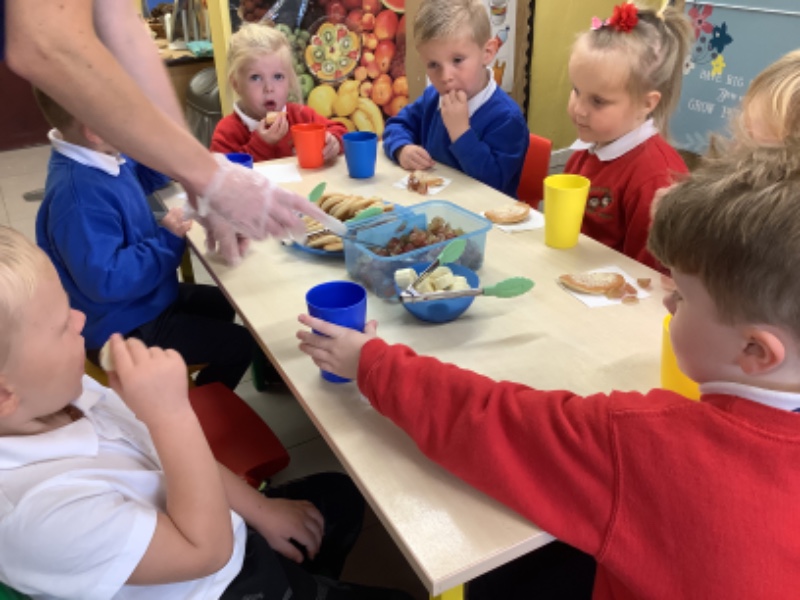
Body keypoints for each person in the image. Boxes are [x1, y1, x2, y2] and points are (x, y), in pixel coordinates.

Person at [296, 144, 800, 598]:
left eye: (682, 296)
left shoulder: (647, 441)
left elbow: (490, 421)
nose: (667, 303)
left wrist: (370, 362)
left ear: (756, 350)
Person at [0, 225, 413, 600]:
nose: (80, 319)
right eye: (61, 326)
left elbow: (172, 461)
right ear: (4, 394)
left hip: (216, 522)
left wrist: (260, 510)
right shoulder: (38, 516)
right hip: (214, 580)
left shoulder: (59, 395)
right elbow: (208, 554)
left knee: (341, 495)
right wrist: (170, 416)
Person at [2, 0, 331, 266]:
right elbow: (43, 41)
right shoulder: (77, 195)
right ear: (96, 128)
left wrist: (195, 177)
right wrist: (208, 178)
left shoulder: (114, 161)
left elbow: (122, 27)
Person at [32, 88, 255, 391]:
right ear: (95, 131)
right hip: (121, 329)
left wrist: (164, 157)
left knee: (225, 303)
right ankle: (194, 409)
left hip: (141, 301)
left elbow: (135, 175)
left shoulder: (101, 155)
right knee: (239, 344)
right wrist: (167, 240)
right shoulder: (79, 198)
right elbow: (107, 280)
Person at [563, 1, 691, 273]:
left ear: (646, 104)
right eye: (576, 91)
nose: (579, 109)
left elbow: (649, 277)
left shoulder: (655, 178)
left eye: (598, 101)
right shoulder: (587, 149)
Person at [381, 0, 529, 198]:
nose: (445, 77)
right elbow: (396, 125)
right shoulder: (433, 97)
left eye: (457, 60)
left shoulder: (507, 118)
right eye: (433, 65)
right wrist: (401, 148)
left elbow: (494, 184)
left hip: (482, 211)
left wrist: (460, 132)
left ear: (488, 52)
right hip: (435, 204)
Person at [211, 23, 346, 163]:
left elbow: (340, 130)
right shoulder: (227, 131)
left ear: (289, 80)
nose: (269, 88)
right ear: (236, 84)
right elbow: (222, 172)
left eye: (278, 77)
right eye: (256, 78)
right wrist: (262, 144)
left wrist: (334, 141)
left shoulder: (300, 116)